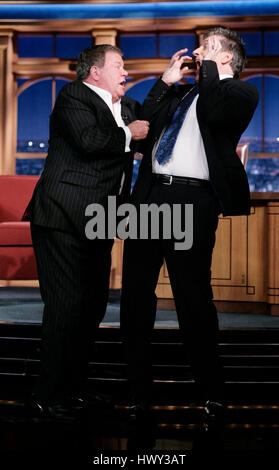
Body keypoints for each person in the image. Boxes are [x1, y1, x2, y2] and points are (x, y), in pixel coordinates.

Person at [120, 27, 259, 430]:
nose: (197, 52)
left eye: (208, 47)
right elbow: (143, 130)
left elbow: (215, 112)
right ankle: (138, 395)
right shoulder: (182, 94)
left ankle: (212, 393)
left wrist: (210, 68)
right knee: (135, 299)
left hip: (192, 201)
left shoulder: (241, 93)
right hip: (149, 198)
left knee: (192, 300)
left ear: (227, 58)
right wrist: (165, 82)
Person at [23, 44, 149, 416]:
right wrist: (129, 136)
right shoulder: (75, 94)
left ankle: (74, 389)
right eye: (120, 66)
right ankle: (46, 396)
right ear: (95, 72)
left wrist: (167, 84)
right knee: (65, 308)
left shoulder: (125, 108)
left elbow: (146, 121)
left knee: (91, 308)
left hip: (98, 220)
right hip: (61, 217)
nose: (126, 72)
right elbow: (91, 142)